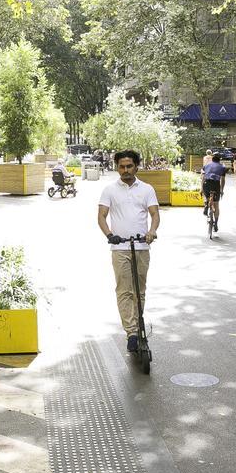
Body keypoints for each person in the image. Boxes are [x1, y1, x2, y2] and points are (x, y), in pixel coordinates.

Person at [97, 150, 160, 353]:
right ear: (117, 168)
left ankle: (139, 325)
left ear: (136, 167)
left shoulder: (147, 189)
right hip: (120, 248)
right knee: (124, 291)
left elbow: (155, 215)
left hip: (141, 247)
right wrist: (109, 235)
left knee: (139, 291)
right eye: (122, 167)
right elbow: (101, 216)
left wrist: (152, 232)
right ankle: (131, 332)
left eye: (129, 166)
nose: (125, 170)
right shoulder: (109, 190)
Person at [201, 152, 228, 230]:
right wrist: (221, 190)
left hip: (206, 183)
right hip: (216, 185)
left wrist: (201, 188)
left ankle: (206, 203)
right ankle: (216, 223)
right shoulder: (222, 167)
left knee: (205, 194)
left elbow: (203, 177)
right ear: (220, 159)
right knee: (216, 205)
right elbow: (222, 180)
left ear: (212, 158)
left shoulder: (206, 165)